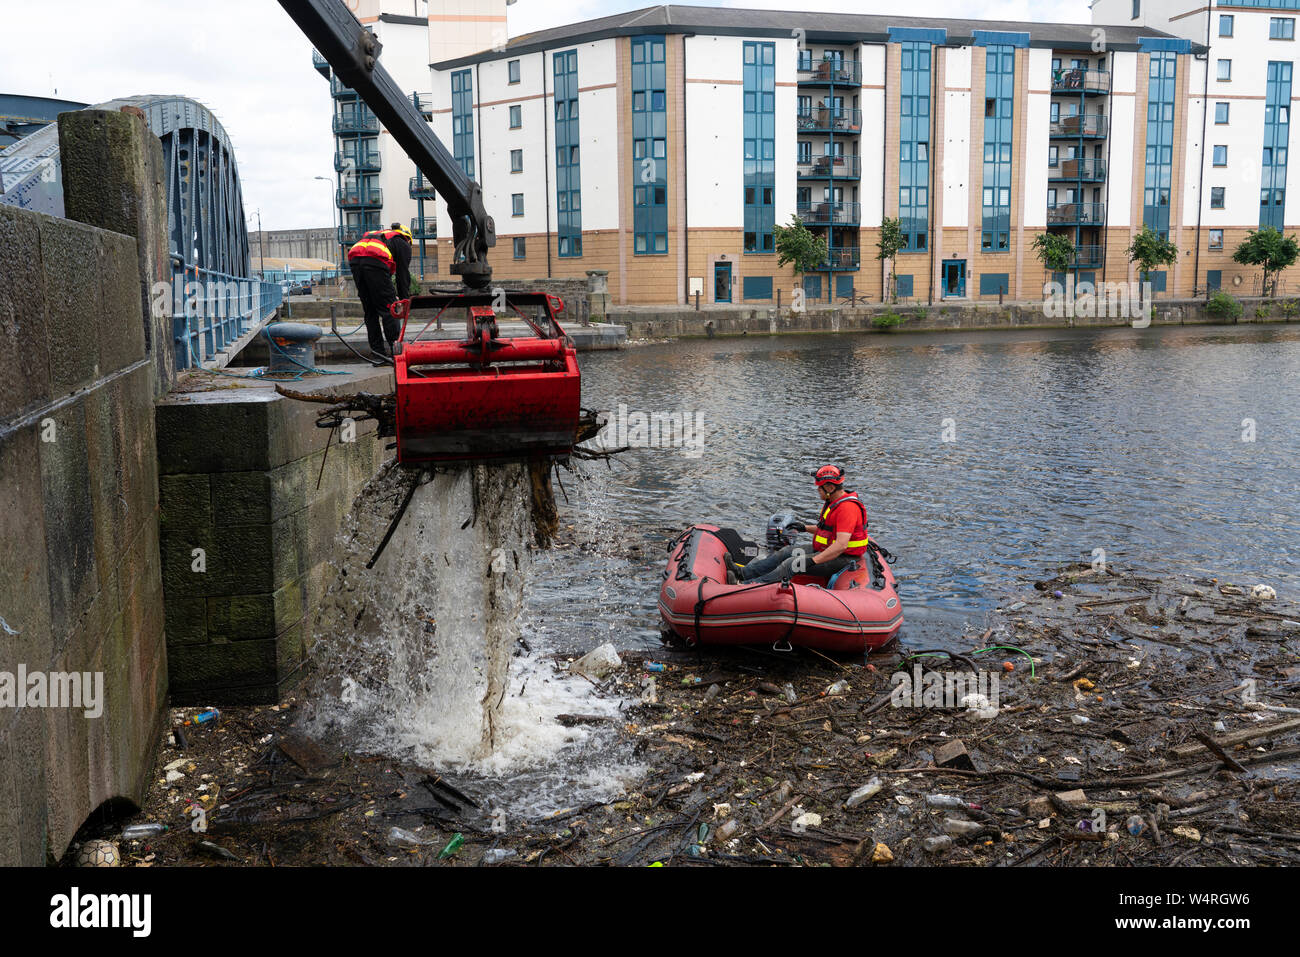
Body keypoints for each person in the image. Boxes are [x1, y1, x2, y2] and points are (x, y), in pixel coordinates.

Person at [733, 465, 869, 585]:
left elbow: (841, 545)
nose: (818, 491)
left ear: (830, 487)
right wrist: (804, 528)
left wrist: (814, 560)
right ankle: (743, 573)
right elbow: (826, 530)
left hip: (843, 558)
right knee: (785, 552)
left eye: (819, 488)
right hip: (827, 550)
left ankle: (749, 585)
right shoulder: (834, 503)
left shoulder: (847, 509)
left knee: (791, 564)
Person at [346, 222, 413, 362]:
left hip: (356, 260)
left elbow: (383, 275)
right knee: (389, 309)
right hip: (374, 261)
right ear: (408, 238)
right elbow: (403, 276)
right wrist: (404, 301)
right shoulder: (402, 243)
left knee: (370, 311)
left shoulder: (382, 238)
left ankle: (378, 355)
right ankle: (397, 354)